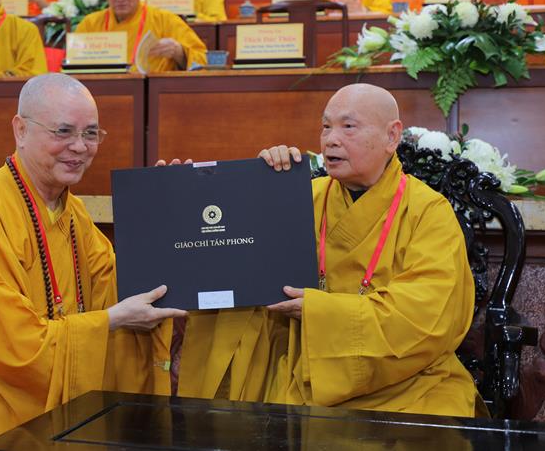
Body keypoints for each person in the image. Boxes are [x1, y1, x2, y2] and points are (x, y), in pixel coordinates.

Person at [0, 73, 186, 451]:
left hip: (63, 423)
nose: (79, 147)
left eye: (91, 134)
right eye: (63, 131)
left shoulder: (73, 212)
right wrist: (109, 322)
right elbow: (11, 346)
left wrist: (164, 217)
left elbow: (120, 287)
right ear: (20, 130)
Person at [176, 83, 481, 417]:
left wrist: (318, 311)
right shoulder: (301, 197)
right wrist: (264, 186)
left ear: (392, 136)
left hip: (409, 384)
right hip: (305, 374)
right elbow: (229, 255)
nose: (330, 139)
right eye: (325, 126)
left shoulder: (428, 212)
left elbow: (426, 318)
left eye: (348, 126)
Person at [76, 0, 207, 73]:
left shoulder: (164, 20)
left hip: (153, 91)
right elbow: (73, 69)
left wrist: (179, 53)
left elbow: (202, 60)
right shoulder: (89, 24)